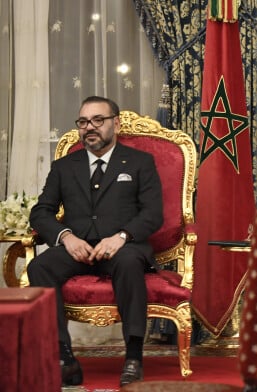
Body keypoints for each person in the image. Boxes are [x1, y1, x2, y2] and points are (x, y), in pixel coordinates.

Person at [27, 96, 163, 387]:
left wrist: (122, 237)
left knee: (128, 262)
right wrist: (66, 237)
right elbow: (41, 212)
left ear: (115, 123)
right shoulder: (64, 166)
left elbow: (153, 214)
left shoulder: (140, 162)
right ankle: (64, 357)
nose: (90, 127)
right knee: (40, 266)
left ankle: (134, 356)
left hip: (123, 247)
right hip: (78, 248)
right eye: (83, 122)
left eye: (97, 120)